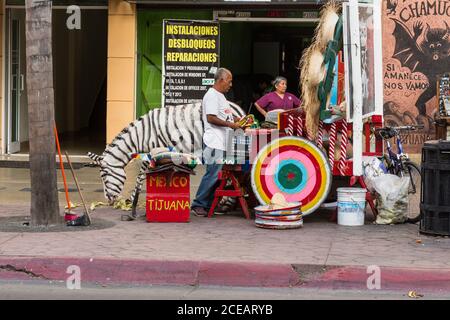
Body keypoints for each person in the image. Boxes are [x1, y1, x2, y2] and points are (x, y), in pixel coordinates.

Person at [190, 68, 241, 217]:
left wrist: (238, 120)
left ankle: (210, 204)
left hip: (222, 142)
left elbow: (226, 116)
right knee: (212, 174)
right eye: (229, 81)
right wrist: (231, 125)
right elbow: (211, 118)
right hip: (214, 142)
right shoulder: (212, 95)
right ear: (220, 80)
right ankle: (198, 204)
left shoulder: (221, 96)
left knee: (218, 174)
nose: (230, 84)